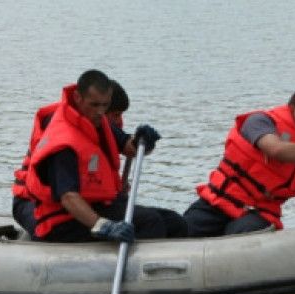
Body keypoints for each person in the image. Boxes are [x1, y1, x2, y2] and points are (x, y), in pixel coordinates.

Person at [25, 70, 185, 243]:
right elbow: (68, 197)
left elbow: (129, 147)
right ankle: (141, 266)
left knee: (175, 223)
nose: (100, 111)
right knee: (150, 222)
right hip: (64, 220)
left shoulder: (97, 121)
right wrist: (104, 226)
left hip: (100, 206)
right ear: (78, 98)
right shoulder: (63, 142)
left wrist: (144, 141)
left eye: (105, 105)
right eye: (94, 105)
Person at [184, 88, 295, 236]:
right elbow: (275, 150)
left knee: (237, 238)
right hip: (217, 203)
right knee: (180, 231)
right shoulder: (260, 122)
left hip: (258, 215)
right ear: (292, 110)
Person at [11, 81, 135, 234]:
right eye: (115, 115)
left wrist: (141, 140)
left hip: (73, 200)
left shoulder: (101, 125)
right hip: (33, 202)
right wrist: (101, 225)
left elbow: (128, 145)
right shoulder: (62, 129)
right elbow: (66, 191)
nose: (119, 121)